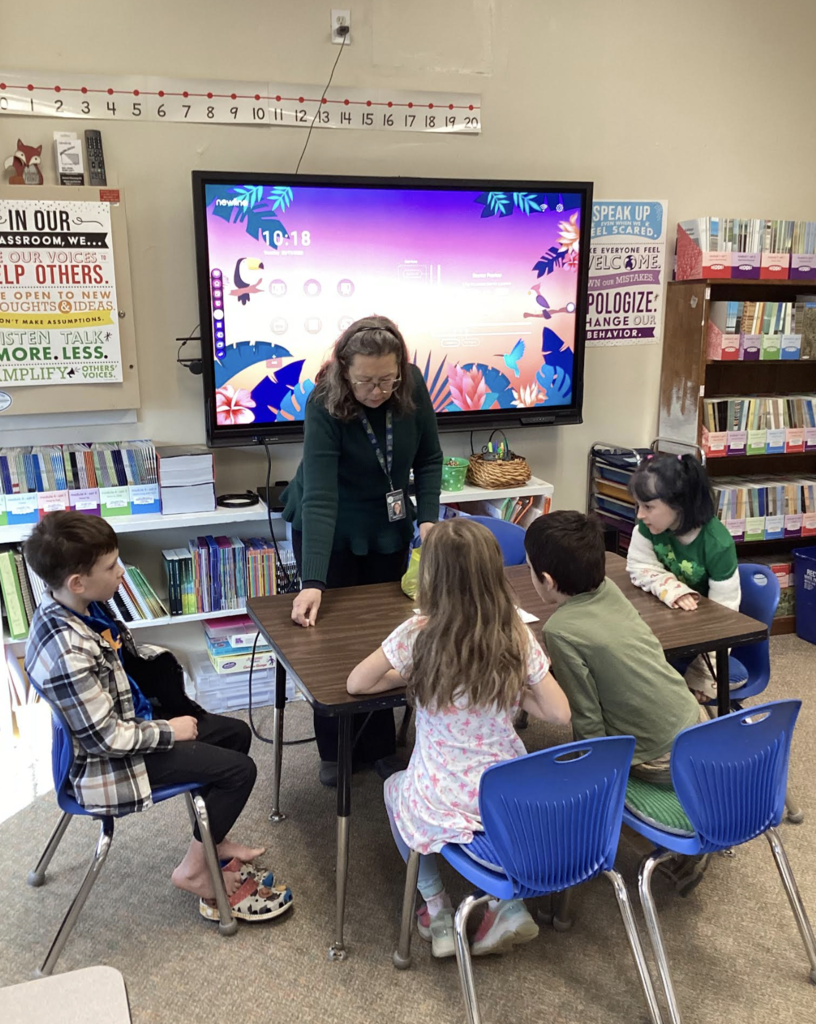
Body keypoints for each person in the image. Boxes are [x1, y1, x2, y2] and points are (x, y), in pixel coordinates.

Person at [24, 512, 293, 924]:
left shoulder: (74, 605)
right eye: (111, 566)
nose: (121, 572)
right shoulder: (67, 652)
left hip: (127, 723)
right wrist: (170, 730)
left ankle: (210, 841)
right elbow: (107, 739)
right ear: (77, 581)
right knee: (239, 772)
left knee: (236, 734)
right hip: (109, 762)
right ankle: (192, 871)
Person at [347, 518, 571, 958]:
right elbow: (559, 713)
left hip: (443, 793)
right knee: (477, 803)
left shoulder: (418, 634)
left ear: (432, 576)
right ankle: (508, 905)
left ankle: (437, 911)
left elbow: (358, 683)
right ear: (494, 573)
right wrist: (505, 684)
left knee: (395, 790)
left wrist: (415, 676)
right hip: (507, 794)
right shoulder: (514, 634)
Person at [282, 315, 442, 786]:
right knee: (330, 640)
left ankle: (378, 745)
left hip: (386, 521)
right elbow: (320, 495)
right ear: (344, 372)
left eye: (386, 380)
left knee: (385, 632)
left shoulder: (410, 387)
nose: (377, 391)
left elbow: (429, 459)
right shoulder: (323, 401)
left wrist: (428, 518)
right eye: (366, 381)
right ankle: (336, 750)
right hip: (327, 522)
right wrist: (313, 581)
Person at [524, 510, 709, 895]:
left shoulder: (560, 630)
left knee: (564, 782)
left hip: (658, 759)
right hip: (697, 723)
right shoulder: (609, 588)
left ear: (547, 581)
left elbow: (587, 719)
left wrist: (586, 780)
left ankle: (666, 836)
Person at [626, 452, 743, 700]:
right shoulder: (649, 528)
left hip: (704, 641)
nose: (640, 515)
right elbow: (638, 566)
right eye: (638, 505)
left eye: (648, 506)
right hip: (665, 630)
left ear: (679, 504)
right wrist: (670, 588)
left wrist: (705, 671)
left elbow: (726, 615)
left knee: (657, 684)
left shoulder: (717, 544)